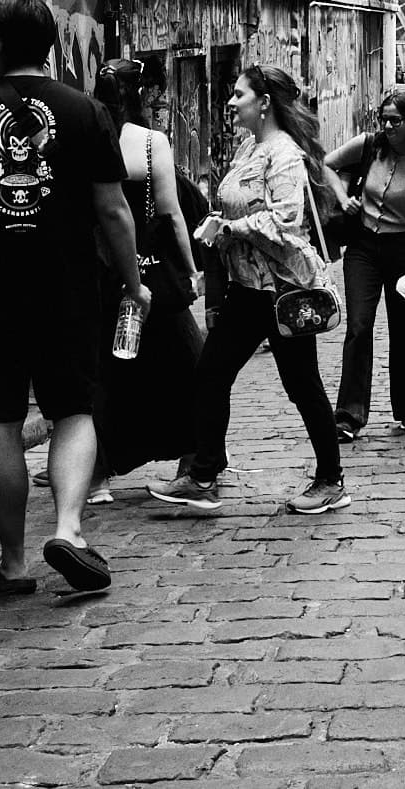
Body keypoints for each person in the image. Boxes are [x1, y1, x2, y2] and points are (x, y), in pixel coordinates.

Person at [0, 0, 147, 594]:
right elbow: (114, 211)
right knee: (73, 410)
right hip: (67, 287)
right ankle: (68, 530)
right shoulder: (86, 111)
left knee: (0, 420)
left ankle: (13, 562)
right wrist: (134, 282)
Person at [151, 65, 351, 515]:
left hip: (281, 292)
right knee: (210, 374)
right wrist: (217, 226)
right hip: (247, 289)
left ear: (264, 102)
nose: (230, 101)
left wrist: (231, 226)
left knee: (302, 386)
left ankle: (331, 480)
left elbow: (286, 221)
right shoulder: (249, 146)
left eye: (239, 94)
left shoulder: (284, 155)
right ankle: (204, 472)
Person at [89, 57, 204, 492]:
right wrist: (192, 271)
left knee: (106, 374)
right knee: (189, 365)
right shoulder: (151, 142)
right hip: (150, 271)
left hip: (100, 273)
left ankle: (98, 476)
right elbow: (172, 214)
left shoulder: (86, 135)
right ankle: (195, 461)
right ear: (140, 93)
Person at [325, 92, 405, 441]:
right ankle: (349, 416)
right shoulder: (368, 145)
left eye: (396, 121)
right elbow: (327, 164)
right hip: (364, 248)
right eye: (383, 118)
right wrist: (344, 199)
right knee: (358, 326)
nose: (387, 126)